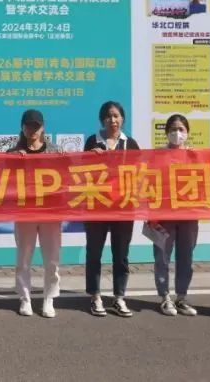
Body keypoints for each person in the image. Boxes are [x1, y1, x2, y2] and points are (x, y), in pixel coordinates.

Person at [83, 100, 140, 318]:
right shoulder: (92, 141)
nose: (112, 120)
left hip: (123, 208)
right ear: (102, 120)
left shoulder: (130, 144)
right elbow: (82, 171)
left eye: (116, 115)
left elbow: (139, 173)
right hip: (97, 207)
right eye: (108, 116)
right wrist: (91, 157)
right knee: (94, 253)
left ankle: (119, 297)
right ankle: (95, 296)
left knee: (121, 254)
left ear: (122, 118)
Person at [8, 109, 62, 319]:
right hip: (24, 213)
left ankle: (49, 298)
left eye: (37, 126)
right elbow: (2, 179)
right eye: (29, 125)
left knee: (52, 259)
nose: (33, 130)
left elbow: (69, 177)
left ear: (43, 127)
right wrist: (14, 161)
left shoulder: (56, 151)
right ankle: (25, 298)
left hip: (51, 213)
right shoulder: (13, 152)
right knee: (23, 259)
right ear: (22, 127)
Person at [150, 114, 199, 317]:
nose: (177, 133)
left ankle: (181, 297)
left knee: (186, 257)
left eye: (181, 129)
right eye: (173, 129)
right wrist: (151, 214)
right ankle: (165, 297)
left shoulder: (194, 155)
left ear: (187, 132)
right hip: (164, 215)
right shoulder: (158, 155)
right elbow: (150, 183)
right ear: (166, 132)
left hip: (188, 215)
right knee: (162, 257)